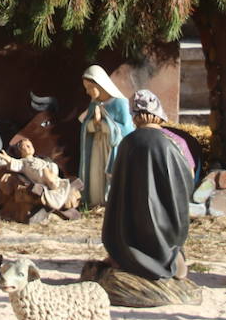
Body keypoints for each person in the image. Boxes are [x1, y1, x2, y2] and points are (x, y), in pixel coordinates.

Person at [82, 90, 202, 307]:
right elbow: (189, 176)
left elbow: (116, 182)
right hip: (168, 229)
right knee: (167, 239)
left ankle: (128, 259)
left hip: (131, 232)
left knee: (126, 236)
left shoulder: (129, 142)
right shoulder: (174, 142)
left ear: (135, 115)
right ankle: (170, 258)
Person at [77, 65, 134, 209]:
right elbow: (86, 126)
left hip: (112, 149)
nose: (87, 91)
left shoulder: (120, 103)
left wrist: (102, 124)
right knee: (96, 175)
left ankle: (111, 204)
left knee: (110, 177)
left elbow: (126, 129)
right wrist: (93, 124)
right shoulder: (94, 104)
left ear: (100, 84)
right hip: (96, 146)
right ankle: (96, 202)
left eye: (90, 87)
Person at [0, 136, 82, 224]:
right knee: (49, 180)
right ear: (20, 151)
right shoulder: (23, 162)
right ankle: (55, 188)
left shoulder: (40, 159)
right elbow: (15, 163)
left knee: (52, 176)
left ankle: (57, 187)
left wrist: (51, 164)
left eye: (30, 145)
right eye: (26, 146)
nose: (29, 148)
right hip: (40, 176)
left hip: (46, 171)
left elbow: (51, 165)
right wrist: (7, 158)